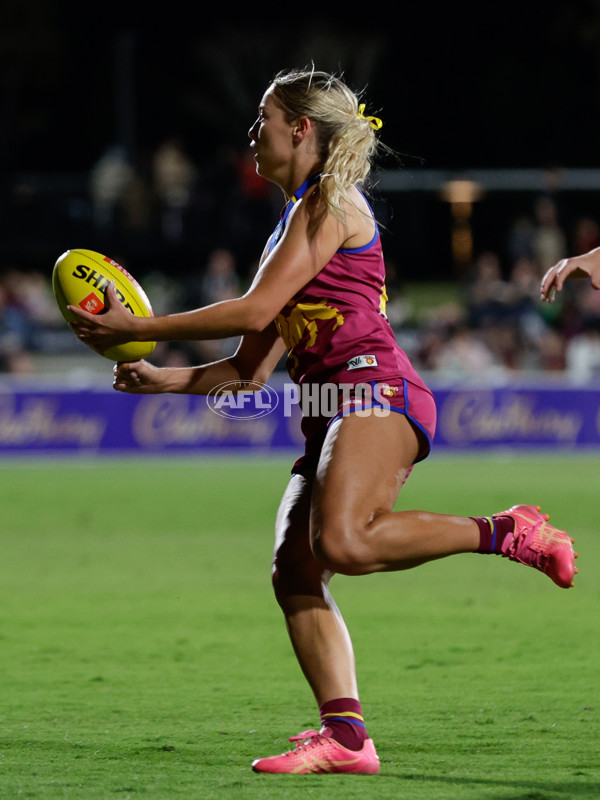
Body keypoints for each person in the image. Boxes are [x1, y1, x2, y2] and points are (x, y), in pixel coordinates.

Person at [68, 67, 578, 776]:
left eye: (263, 119)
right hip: (329, 407)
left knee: (344, 542)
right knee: (295, 569)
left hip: (375, 390)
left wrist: (141, 324)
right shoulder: (292, 224)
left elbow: (249, 312)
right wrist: (160, 379)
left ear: (301, 129)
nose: (252, 133)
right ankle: (346, 738)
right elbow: (248, 369)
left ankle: (507, 530)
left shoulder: (333, 203)